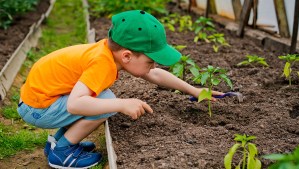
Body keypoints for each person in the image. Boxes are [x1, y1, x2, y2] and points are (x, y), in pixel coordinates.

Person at [17, 10, 223, 168]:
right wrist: (122, 104)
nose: (153, 66)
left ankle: (57, 142)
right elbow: (75, 104)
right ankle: (62, 152)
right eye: (151, 61)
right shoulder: (101, 64)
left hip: (40, 100)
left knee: (103, 99)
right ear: (126, 56)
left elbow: (155, 75)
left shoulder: (109, 54)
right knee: (106, 102)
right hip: (38, 108)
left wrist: (194, 91)